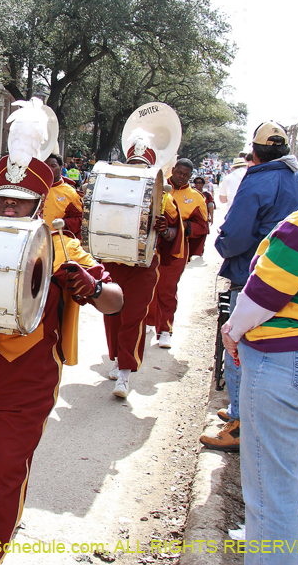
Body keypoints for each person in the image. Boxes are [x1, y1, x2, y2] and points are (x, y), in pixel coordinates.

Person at [0, 150, 123, 565]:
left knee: (3, 471)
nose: (8, 205)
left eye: (20, 200)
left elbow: (115, 302)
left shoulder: (63, 246)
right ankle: (6, 516)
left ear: (39, 203)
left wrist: (88, 285)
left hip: (30, 374)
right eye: (4, 197)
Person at [220, 100, 298, 557]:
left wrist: (231, 333)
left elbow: (260, 299)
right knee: (297, 476)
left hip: (284, 366)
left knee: (269, 494)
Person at [203, 121, 298, 452]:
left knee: (240, 347)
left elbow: (235, 235)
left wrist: (223, 248)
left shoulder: (258, 181)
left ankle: (239, 422)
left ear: (254, 151)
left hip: (254, 278)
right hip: (295, 285)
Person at [102, 135, 183, 398]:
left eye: (141, 164)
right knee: (112, 313)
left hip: (143, 264)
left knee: (134, 316)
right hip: (114, 261)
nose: (136, 168)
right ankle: (117, 358)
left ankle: (125, 373)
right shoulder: (111, 190)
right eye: (132, 163)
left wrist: (164, 230)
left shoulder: (164, 196)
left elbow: (174, 231)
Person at [146, 158, 208, 349]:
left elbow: (202, 226)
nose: (182, 177)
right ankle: (148, 321)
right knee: (147, 285)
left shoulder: (197, 197)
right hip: (151, 245)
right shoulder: (157, 186)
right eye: (179, 173)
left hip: (177, 248)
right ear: (173, 170)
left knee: (167, 288)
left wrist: (181, 227)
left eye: (186, 175)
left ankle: (165, 330)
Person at [41, 153, 83, 238]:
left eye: (53, 166)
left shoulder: (70, 192)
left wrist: (64, 224)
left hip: (58, 240)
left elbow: (80, 219)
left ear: (60, 168)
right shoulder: (35, 188)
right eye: (46, 166)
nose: (49, 169)